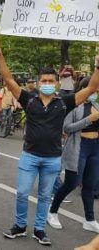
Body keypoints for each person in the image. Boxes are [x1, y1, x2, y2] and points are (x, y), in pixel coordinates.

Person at [0, 41, 99, 246]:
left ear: (57, 82)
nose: (47, 83)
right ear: (39, 83)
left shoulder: (65, 102)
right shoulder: (28, 99)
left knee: (44, 196)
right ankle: (20, 226)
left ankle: (39, 230)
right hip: (30, 156)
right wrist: (0, 56)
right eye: (44, 80)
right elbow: (8, 79)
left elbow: (92, 87)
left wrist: (98, 66)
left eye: (51, 80)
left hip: (52, 159)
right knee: (22, 192)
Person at [48, 76, 99, 233]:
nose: (96, 91)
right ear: (84, 88)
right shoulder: (72, 105)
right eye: (94, 88)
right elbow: (67, 128)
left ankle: (89, 219)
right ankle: (52, 211)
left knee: (89, 185)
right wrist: (89, 120)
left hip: (95, 148)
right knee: (72, 182)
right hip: (79, 147)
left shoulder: (96, 104)